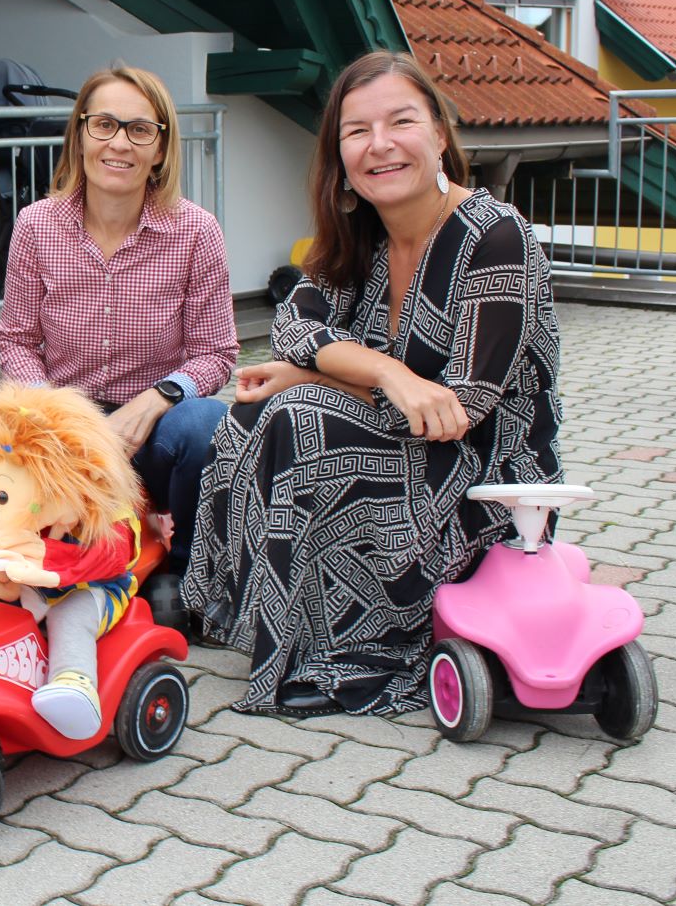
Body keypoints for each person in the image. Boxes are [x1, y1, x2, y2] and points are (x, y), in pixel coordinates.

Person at [183, 51, 562, 717]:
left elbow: (458, 408)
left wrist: (314, 379)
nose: (379, 145)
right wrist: (378, 371)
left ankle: (355, 639)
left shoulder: (498, 236)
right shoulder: (363, 238)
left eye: (400, 121)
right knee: (251, 409)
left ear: (440, 134)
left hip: (479, 478)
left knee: (297, 413)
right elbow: (295, 329)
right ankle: (254, 615)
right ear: (339, 154)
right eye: (356, 131)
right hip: (399, 440)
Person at [0, 65, 236, 572]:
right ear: (80, 134)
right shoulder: (36, 225)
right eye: (104, 124)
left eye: (139, 129)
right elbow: (16, 341)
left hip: (150, 431)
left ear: (160, 149)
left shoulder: (196, 231)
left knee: (207, 426)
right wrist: (54, 412)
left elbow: (218, 351)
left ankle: (185, 570)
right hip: (60, 425)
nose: (119, 144)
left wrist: (158, 398)